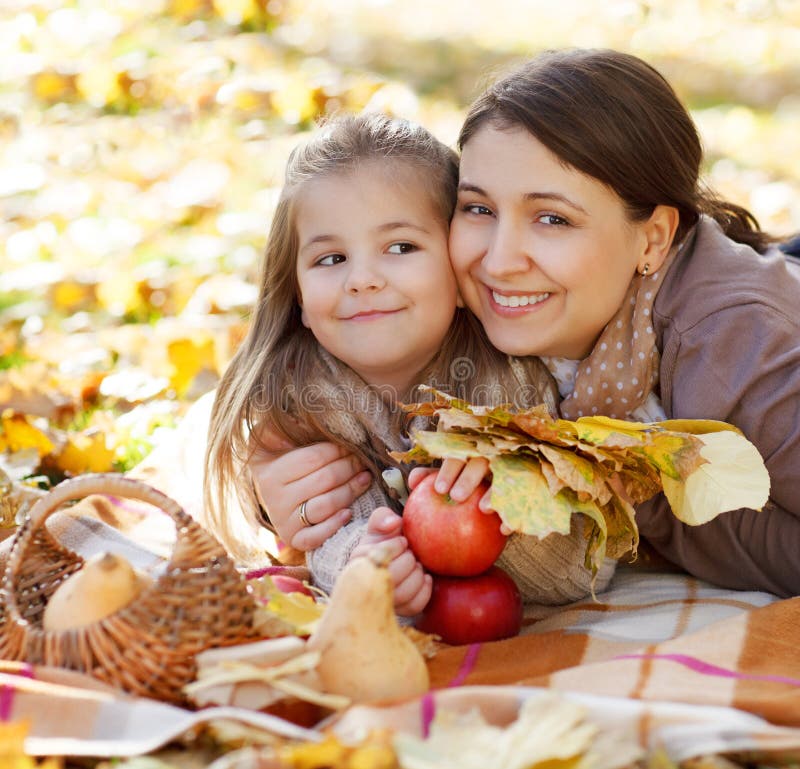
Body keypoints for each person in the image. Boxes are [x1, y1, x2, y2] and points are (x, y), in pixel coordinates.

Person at [255, 49, 800, 599]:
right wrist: (278, 493)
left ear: (653, 239)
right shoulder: (478, 312)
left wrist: (639, 486)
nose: (499, 261)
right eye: (479, 209)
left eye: (552, 219)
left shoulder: (739, 345)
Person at [203, 112, 609, 616]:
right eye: (331, 259)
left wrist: (510, 507)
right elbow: (321, 533)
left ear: (459, 269)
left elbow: (579, 573)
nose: (363, 279)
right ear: (299, 299)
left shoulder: (516, 383)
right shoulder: (299, 405)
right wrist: (362, 563)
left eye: (401, 247)